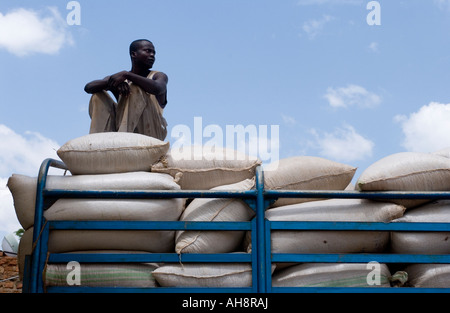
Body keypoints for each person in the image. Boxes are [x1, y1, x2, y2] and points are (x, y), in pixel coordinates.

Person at [84, 39, 168, 140]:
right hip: (120, 127)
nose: (152, 55)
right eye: (148, 51)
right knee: (97, 96)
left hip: (151, 131)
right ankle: (97, 142)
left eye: (154, 52)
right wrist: (116, 84)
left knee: (134, 88)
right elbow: (89, 87)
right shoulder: (120, 78)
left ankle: (122, 139)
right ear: (134, 54)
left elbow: (158, 88)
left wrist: (127, 75)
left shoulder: (158, 75)